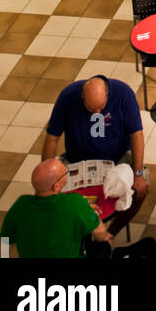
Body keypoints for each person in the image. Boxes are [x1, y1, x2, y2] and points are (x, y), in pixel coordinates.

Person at [41, 76, 147, 237]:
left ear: (107, 93)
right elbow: (51, 139)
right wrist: (48, 176)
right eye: (91, 109)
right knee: (53, 198)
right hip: (75, 159)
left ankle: (110, 234)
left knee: (141, 189)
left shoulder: (124, 94)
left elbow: (137, 135)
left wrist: (138, 173)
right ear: (82, 97)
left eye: (101, 107)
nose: (97, 113)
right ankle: (76, 236)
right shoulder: (67, 97)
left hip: (116, 159)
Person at [1, 158, 113, 258]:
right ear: (56, 187)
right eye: (65, 174)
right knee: (106, 244)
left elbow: (7, 238)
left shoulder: (21, 204)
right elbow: (101, 234)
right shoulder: (75, 203)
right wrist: (106, 237)